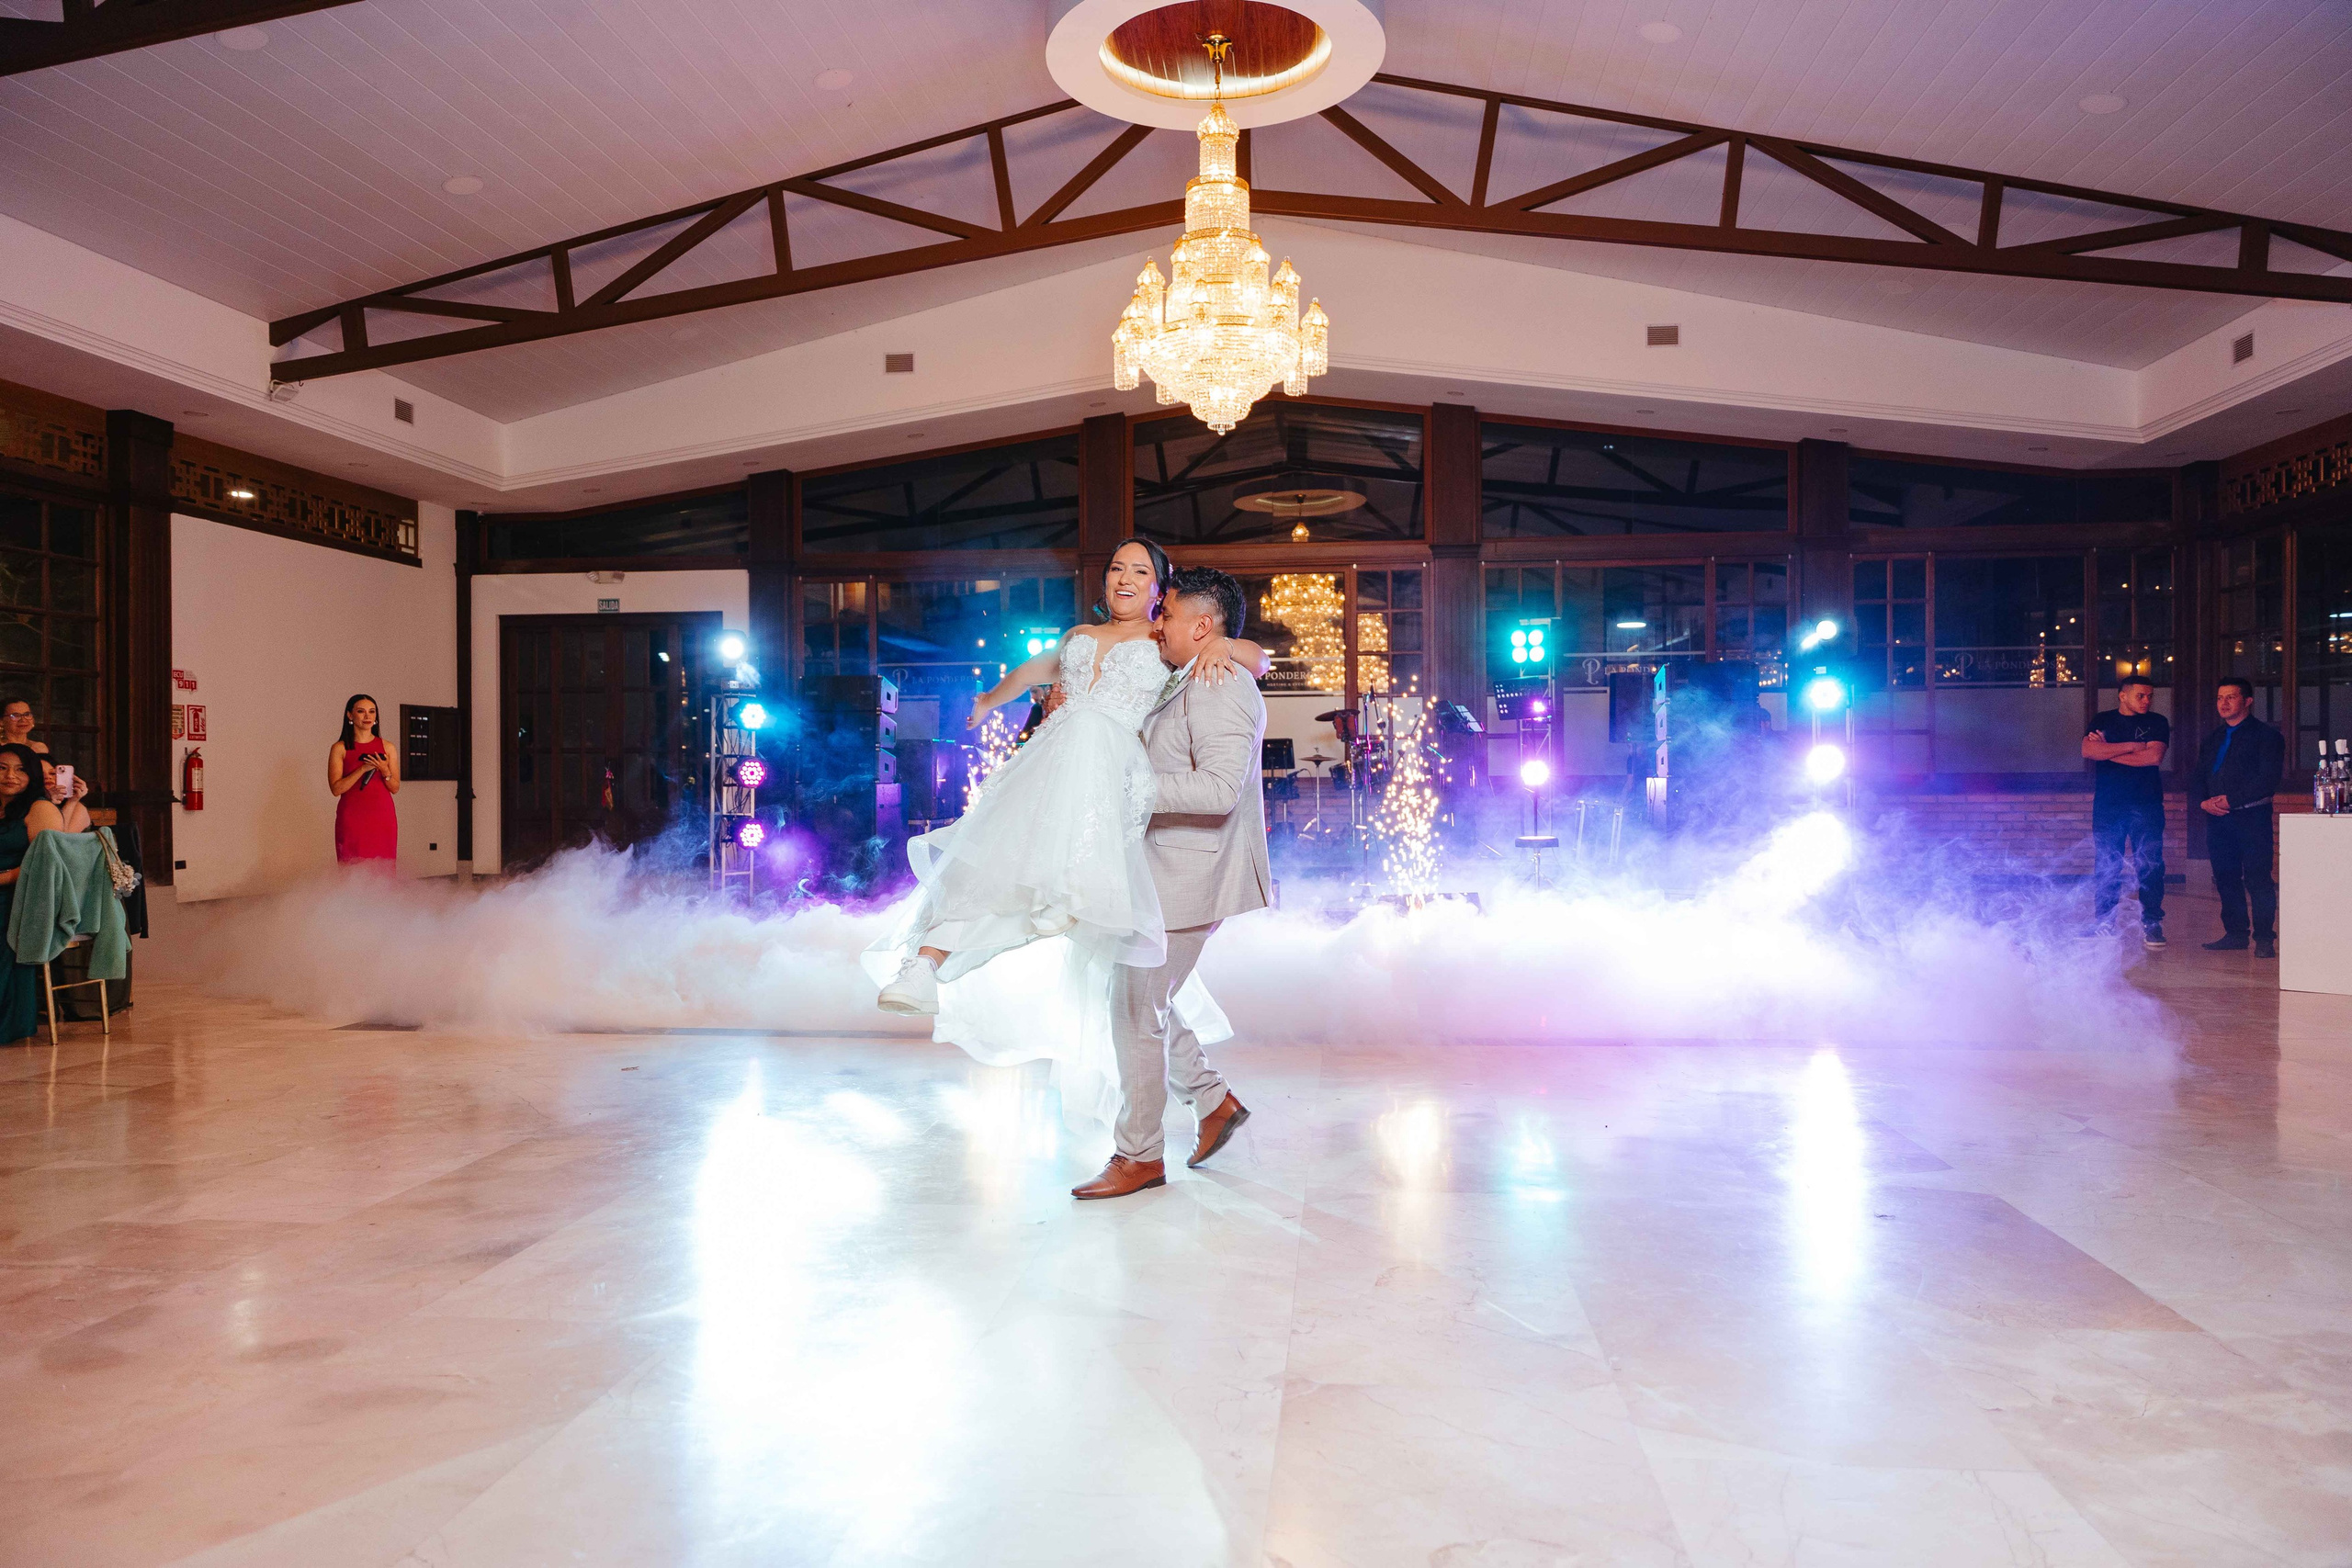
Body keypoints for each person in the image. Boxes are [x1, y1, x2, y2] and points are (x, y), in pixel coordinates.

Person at [864, 542, 1269, 1168]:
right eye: (1116, 567)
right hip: (1081, 794)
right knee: (1008, 869)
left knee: (1131, 994)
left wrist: (1221, 643)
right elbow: (1045, 672)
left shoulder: (1189, 658)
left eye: (1142, 572)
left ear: (1170, 600)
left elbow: (1249, 666)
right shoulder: (1113, 645)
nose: (1126, 579)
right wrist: (1007, 702)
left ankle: (1149, 1147)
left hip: (1146, 831)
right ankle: (927, 961)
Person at [1072, 565, 1269, 1200]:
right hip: (1166, 868)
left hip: (1191, 872)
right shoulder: (1190, 673)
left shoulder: (1218, 682)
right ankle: (1212, 1102)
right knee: (1140, 995)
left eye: (1169, 612)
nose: (1157, 623)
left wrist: (1129, 788)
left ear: (1203, 626)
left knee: (1134, 1007)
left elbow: (1217, 790)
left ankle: (1140, 1155)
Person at [2193, 677, 2286, 957]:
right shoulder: (2213, 738)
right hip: (2218, 818)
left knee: (2258, 877)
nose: (2224, 703)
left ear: (2247, 701)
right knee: (2225, 876)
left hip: (2252, 816)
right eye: (2220, 698)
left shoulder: (2267, 736)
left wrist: (2231, 800)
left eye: (2231, 697)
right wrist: (2203, 802)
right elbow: (2199, 775)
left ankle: (2264, 938)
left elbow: (2267, 780)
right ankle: (2235, 933)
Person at [2082, 674, 2169, 948]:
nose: (2146, 701)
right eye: (2140, 695)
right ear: (2123, 695)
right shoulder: (2103, 720)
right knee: (2107, 865)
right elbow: (2087, 750)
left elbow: (2153, 757)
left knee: (2150, 865)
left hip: (2147, 804)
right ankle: (2104, 923)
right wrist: (2131, 746)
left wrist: (2106, 750)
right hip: (2109, 806)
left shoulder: (2157, 722)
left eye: (2149, 696)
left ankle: (2152, 924)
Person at [0, 742, 68, 1043]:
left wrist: (3, 878)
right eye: (2, 768)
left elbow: (45, 867)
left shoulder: (40, 808)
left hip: (20, 899)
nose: (10, 776)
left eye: (21, 769)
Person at [1, 695, 92, 833]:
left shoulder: (39, 747)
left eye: (27, 714)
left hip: (39, 798)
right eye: (15, 715)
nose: (23, 719)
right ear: (1, 721)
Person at [328, 694, 400, 866]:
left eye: (372, 711)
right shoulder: (340, 748)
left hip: (382, 816)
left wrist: (384, 770)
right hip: (352, 817)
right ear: (350, 715)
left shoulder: (387, 747)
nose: (367, 716)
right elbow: (336, 789)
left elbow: (395, 787)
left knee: (383, 869)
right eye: (361, 711)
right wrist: (362, 769)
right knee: (352, 868)